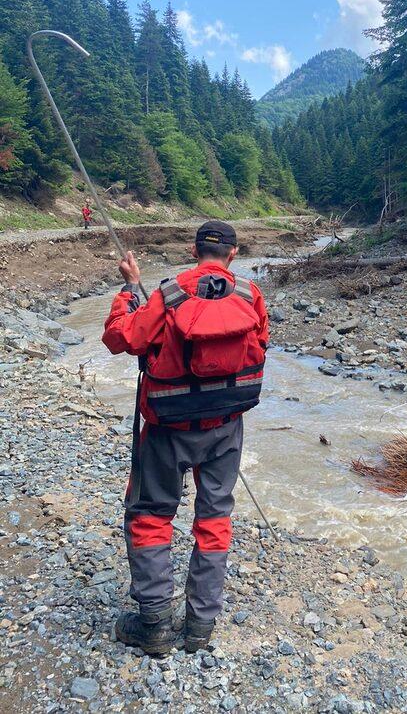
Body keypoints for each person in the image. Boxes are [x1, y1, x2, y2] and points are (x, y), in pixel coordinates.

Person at [102, 220, 269, 656]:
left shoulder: (167, 294)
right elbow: (261, 344)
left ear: (194, 251)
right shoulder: (251, 296)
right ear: (234, 254)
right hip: (226, 426)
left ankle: (154, 624)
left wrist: (129, 290)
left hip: (167, 429)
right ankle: (200, 626)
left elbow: (121, 338)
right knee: (214, 519)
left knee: (151, 515)